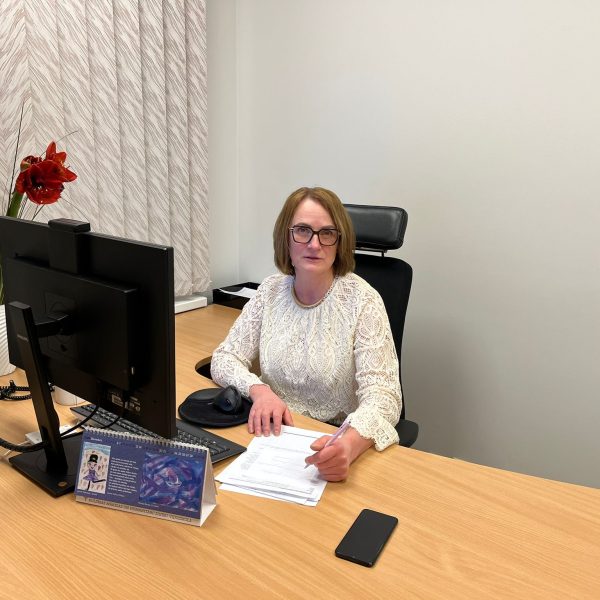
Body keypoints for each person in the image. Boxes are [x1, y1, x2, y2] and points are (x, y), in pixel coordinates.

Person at [211, 187, 402, 481]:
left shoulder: (363, 301)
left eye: (327, 233)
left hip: (332, 441)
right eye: (302, 230)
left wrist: (348, 446)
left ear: (340, 242)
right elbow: (224, 358)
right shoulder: (270, 291)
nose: (314, 244)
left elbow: (384, 396)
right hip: (271, 436)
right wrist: (260, 392)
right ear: (285, 238)